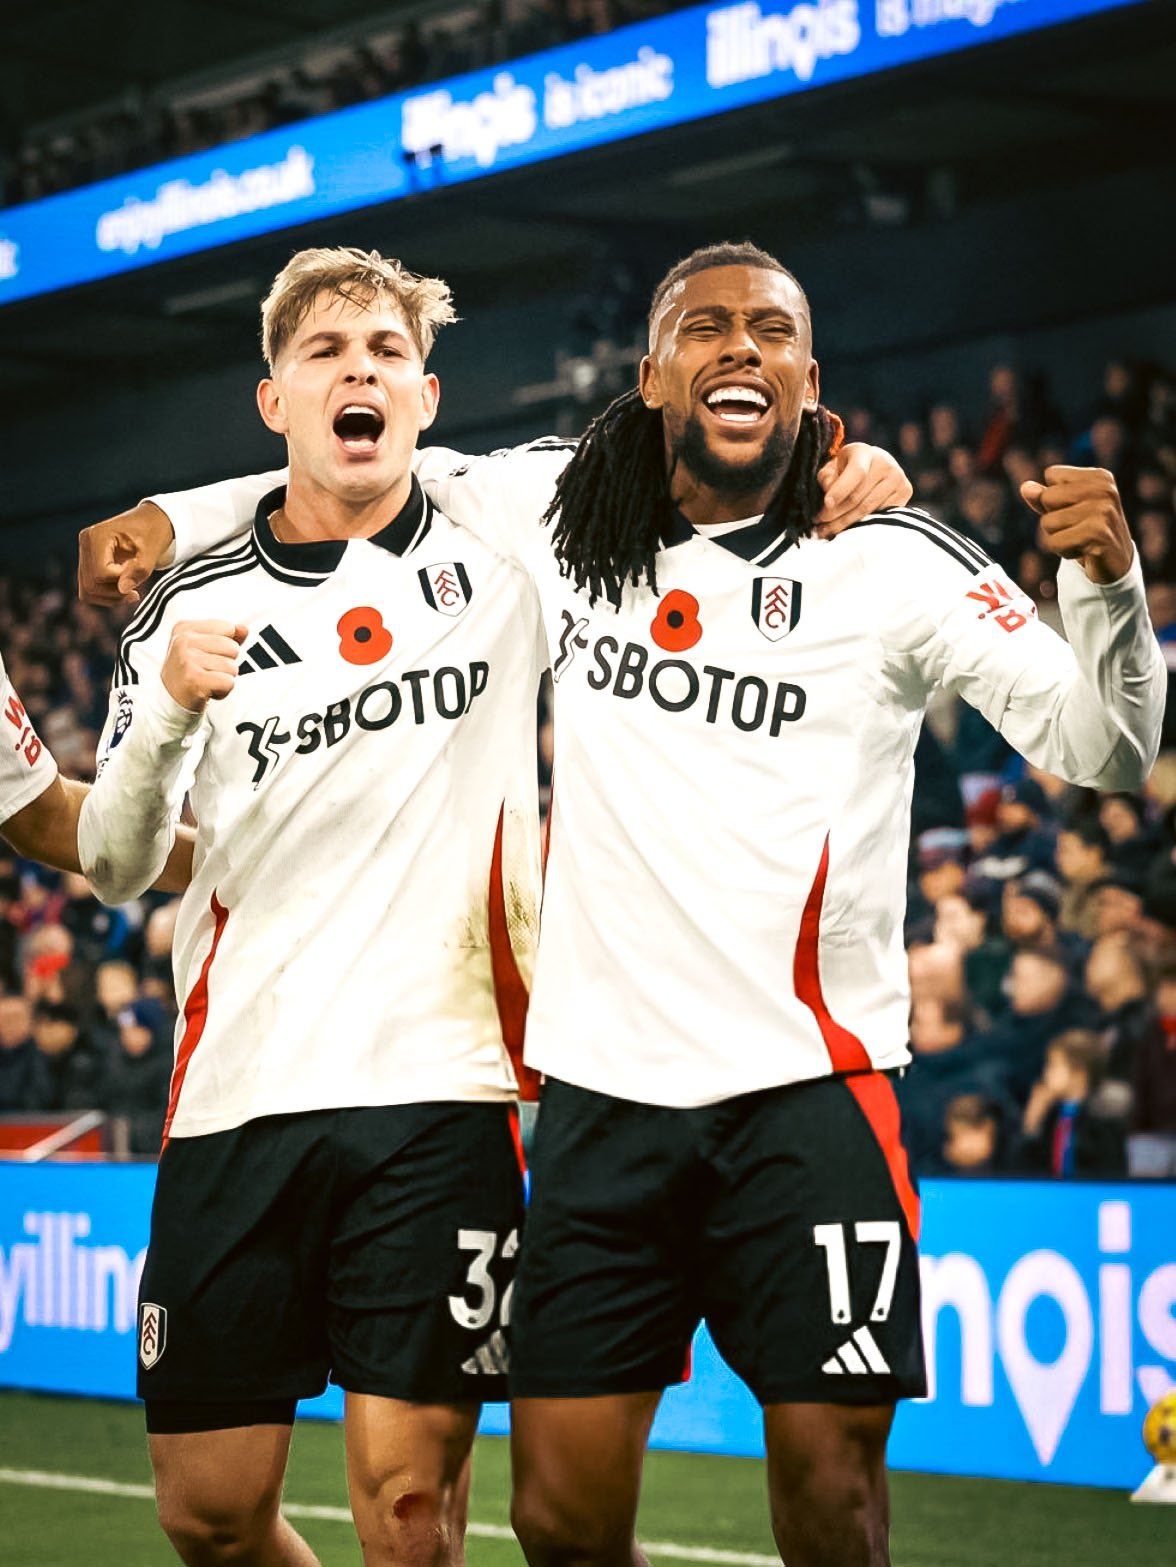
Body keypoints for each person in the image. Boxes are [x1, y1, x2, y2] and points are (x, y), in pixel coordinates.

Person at [77, 241, 1165, 1567]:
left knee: (827, 1501)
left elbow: (1108, 749)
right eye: (703, 327)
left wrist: (1108, 591)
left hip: (802, 1091)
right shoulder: (559, 517)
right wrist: (172, 522)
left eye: (770, 330)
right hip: (598, 1106)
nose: (738, 346)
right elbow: (358, 468)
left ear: (812, 380)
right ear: (648, 377)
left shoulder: (887, 556)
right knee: (551, 1521)